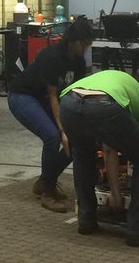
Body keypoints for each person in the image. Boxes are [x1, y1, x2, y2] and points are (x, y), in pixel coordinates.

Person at [59, 68, 139, 246]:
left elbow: (108, 148)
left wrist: (114, 192)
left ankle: (86, 219)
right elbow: (135, 156)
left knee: (83, 153)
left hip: (68, 102)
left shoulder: (121, 83)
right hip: (103, 105)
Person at [7, 17, 95, 212]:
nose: (85, 49)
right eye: (83, 44)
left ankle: (45, 181)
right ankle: (48, 193)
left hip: (45, 99)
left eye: (88, 45)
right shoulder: (52, 57)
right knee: (52, 136)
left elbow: (73, 94)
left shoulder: (79, 63)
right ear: (73, 41)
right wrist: (62, 129)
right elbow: (53, 96)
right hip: (23, 95)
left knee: (75, 139)